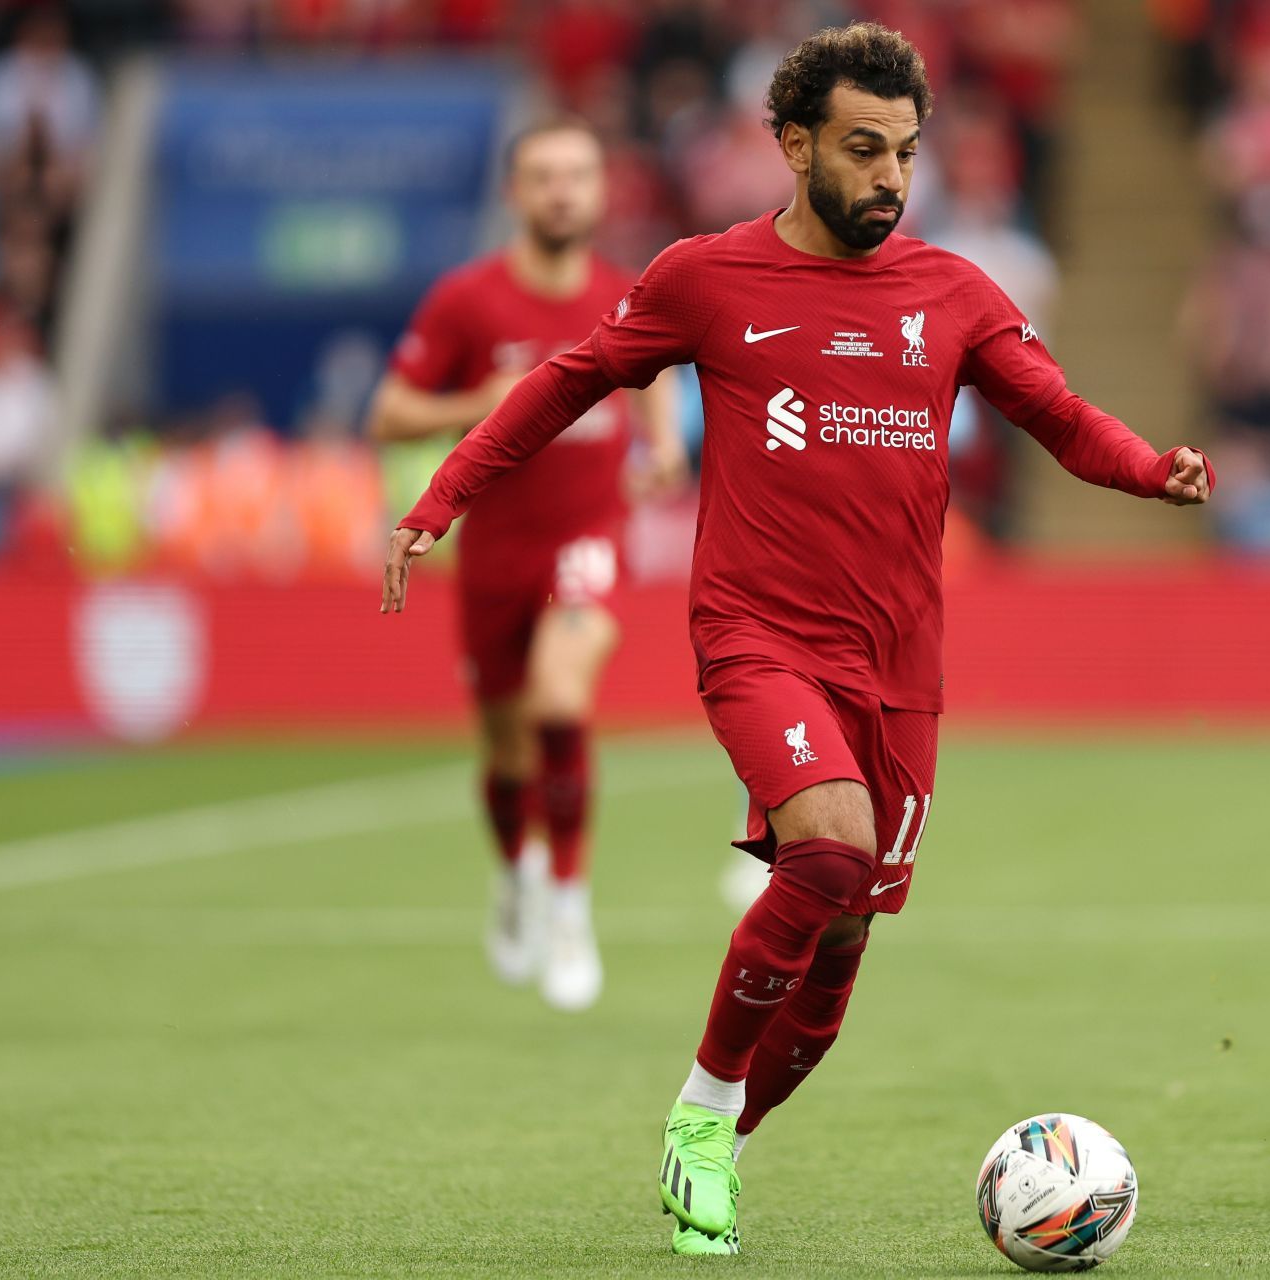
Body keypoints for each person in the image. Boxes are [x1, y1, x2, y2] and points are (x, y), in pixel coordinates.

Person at [381, 22, 1211, 1257]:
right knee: (825, 856)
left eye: (906, 154)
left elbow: (1061, 415)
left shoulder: (955, 294)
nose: (889, 176)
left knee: (837, 961)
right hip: (755, 633)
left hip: (902, 666)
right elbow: (569, 381)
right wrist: (441, 495)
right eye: (863, 149)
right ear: (792, 144)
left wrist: (1152, 469)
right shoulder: (705, 278)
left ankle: (713, 1130)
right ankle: (706, 1105)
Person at [367, 119, 685, 1013]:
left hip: (589, 538)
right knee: (507, 751)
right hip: (495, 554)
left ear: (599, 190)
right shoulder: (468, 302)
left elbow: (652, 372)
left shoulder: (630, 294)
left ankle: (572, 909)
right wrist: (484, 401)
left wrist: (661, 444)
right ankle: (516, 874)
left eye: (577, 175)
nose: (560, 191)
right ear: (515, 191)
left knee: (560, 696)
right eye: (542, 176)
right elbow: (387, 412)